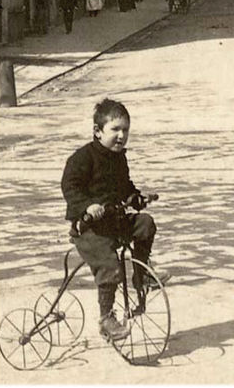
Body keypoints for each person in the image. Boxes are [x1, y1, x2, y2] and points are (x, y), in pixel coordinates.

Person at [61, 99, 165, 342]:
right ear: (98, 131)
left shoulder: (119, 158)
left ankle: (141, 274)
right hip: (89, 229)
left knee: (146, 223)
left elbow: (124, 187)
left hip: (114, 223)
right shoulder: (82, 158)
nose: (121, 136)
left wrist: (135, 198)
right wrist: (88, 205)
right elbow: (70, 186)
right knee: (110, 265)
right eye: (115, 130)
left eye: (125, 130)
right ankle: (106, 318)